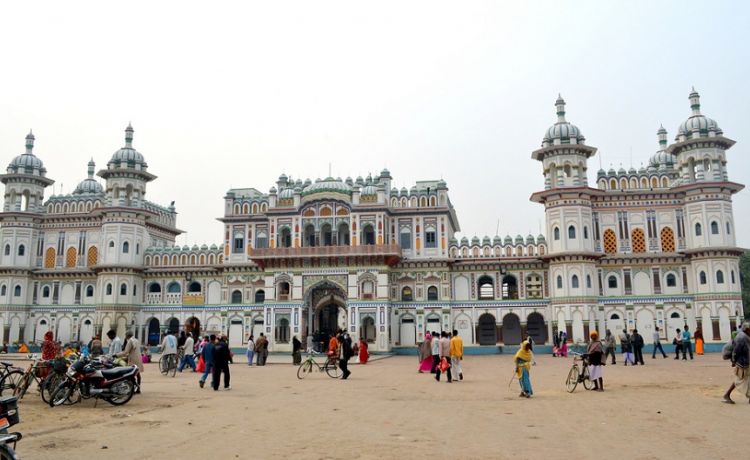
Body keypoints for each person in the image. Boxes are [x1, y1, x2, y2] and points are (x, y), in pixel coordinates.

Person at [723, 322, 750, 404]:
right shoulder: (741, 337)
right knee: (740, 379)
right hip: (743, 362)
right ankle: (727, 394)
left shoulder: (745, 336)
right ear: (747, 329)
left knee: (746, 379)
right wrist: (734, 361)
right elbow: (736, 350)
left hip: (746, 361)